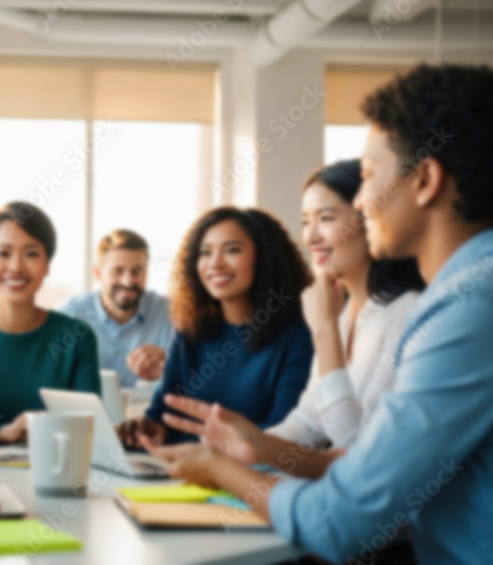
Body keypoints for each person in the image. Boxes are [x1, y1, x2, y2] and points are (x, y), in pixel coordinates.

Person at [142, 64, 493, 564]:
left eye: (369, 177)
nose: (365, 199)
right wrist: (252, 445)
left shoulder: (464, 310)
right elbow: (329, 447)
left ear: (425, 180)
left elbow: (339, 518)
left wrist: (222, 470)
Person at [157, 159, 425, 475]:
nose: (311, 237)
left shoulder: (406, 315)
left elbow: (354, 450)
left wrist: (323, 329)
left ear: (369, 219)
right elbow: (308, 424)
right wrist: (233, 447)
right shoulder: (344, 317)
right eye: (306, 221)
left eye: (326, 218)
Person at [116, 207, 314, 447]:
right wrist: (142, 430)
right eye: (205, 253)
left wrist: (204, 445)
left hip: (253, 478)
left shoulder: (298, 334)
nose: (215, 263)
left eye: (232, 250)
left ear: (265, 257)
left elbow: (284, 435)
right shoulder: (188, 330)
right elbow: (163, 418)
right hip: (184, 474)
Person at [0, 202, 102, 445]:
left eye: (31, 254)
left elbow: (91, 428)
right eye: (3, 253)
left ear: (47, 265)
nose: (15, 266)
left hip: (62, 470)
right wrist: (0, 433)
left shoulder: (76, 337)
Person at [58, 229, 175, 388]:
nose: (127, 282)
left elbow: (194, 375)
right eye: (118, 271)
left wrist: (171, 365)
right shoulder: (70, 315)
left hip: (148, 412)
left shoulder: (170, 314)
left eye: (136, 271)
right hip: (84, 412)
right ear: (98, 273)